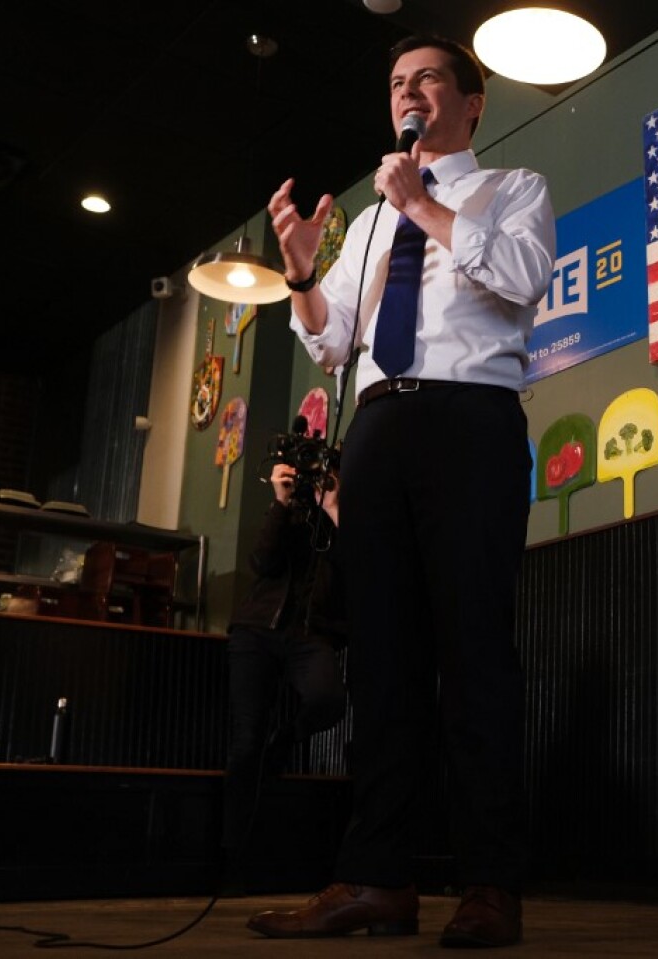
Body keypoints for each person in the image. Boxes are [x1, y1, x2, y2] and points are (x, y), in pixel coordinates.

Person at [249, 34, 554, 948]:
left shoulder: (513, 189)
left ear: (471, 102)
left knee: (472, 655)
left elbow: (519, 277)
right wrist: (304, 271)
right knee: (380, 662)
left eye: (424, 79)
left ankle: (490, 882)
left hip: (471, 421)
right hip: (378, 427)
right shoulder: (371, 218)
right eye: (393, 83)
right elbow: (332, 340)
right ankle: (375, 877)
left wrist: (421, 203)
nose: (405, 94)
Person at [223, 462, 346, 864]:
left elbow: (360, 569)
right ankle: (234, 855)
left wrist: (333, 507)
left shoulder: (341, 520)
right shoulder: (286, 511)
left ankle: (288, 736)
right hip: (257, 630)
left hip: (309, 635)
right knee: (247, 743)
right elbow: (261, 561)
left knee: (328, 700)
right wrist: (281, 502)